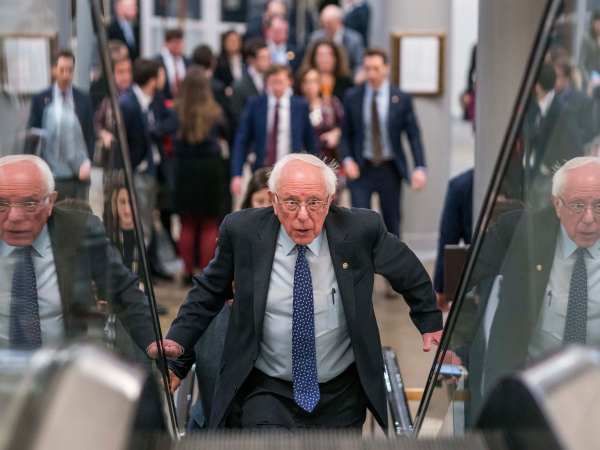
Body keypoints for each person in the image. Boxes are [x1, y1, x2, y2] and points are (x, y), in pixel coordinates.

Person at [149, 153, 443, 430]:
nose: (303, 215)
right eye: (291, 203)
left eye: (314, 202)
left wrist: (429, 320)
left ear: (330, 201)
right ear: (274, 202)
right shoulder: (243, 232)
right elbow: (207, 292)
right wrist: (177, 347)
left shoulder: (360, 230)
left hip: (341, 393)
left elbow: (407, 270)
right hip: (267, 389)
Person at [471, 157, 600, 396]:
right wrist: (459, 348)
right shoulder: (521, 234)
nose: (590, 219)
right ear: (557, 205)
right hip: (533, 389)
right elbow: (464, 284)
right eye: (578, 206)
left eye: (599, 205)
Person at [0, 154, 156, 353]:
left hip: (63, 369)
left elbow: (124, 291)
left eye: (29, 204)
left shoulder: (80, 231)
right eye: (1, 204)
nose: (14, 217)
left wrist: (156, 348)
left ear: (50, 202)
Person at [342, 48, 427, 238]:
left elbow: (413, 135)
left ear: (386, 69)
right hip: (362, 166)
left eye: (376, 68)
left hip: (390, 167)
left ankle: (391, 263)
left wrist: (420, 166)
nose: (371, 74)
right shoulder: (353, 96)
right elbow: (345, 134)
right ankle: (361, 263)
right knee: (358, 221)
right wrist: (347, 160)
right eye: (367, 69)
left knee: (392, 221)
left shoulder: (401, 98)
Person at [174, 68, 228, 285]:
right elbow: (227, 132)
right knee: (208, 224)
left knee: (186, 224)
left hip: (184, 169)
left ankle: (187, 271)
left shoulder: (177, 110)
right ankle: (206, 272)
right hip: (210, 169)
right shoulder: (215, 111)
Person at [230, 64, 318, 196]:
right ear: (267, 83)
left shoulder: (300, 106)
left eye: (281, 82)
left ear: (290, 82)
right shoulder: (255, 104)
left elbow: (311, 141)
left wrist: (315, 171)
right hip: (262, 170)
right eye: (273, 82)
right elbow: (242, 140)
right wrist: (237, 174)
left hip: (292, 170)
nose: (277, 86)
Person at [28, 49, 95, 202]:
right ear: (54, 70)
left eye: (70, 70)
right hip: (51, 174)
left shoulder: (83, 99)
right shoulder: (41, 99)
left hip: (77, 175)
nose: (66, 75)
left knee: (78, 218)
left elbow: (90, 135)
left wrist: (88, 162)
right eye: (62, 70)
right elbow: (33, 135)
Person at [433, 169, 473, 312]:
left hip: (478, 280)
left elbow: (448, 241)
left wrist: (442, 291)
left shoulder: (460, 185)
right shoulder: (526, 180)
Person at [297, 66, 344, 163]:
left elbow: (345, 125)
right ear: (301, 85)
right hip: (304, 159)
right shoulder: (296, 107)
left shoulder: (331, 103)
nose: (310, 86)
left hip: (329, 159)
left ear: (319, 84)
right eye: (306, 81)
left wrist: (336, 133)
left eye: (314, 81)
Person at [309, 5, 364, 77]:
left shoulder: (354, 39)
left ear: (339, 21)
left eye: (329, 23)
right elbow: (309, 61)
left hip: (347, 78)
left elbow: (359, 63)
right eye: (323, 23)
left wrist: (355, 77)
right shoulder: (316, 38)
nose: (326, 27)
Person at [230, 39, 272, 127]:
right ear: (251, 60)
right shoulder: (239, 86)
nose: (269, 62)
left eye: (269, 57)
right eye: (263, 58)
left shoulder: (271, 80)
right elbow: (238, 118)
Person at [157, 28, 189, 100]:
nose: (178, 46)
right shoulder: (158, 62)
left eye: (180, 42)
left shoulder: (187, 62)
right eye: (175, 42)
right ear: (166, 43)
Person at [580, 10, 600, 80]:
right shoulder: (587, 38)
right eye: (597, 22)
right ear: (593, 23)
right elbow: (581, 64)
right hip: (592, 78)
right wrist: (588, 80)